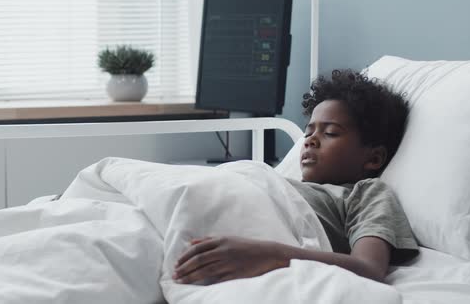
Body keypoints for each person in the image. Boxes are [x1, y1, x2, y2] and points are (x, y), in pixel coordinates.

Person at [172, 69, 419, 284]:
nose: (310, 139)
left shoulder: (366, 193)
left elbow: (369, 269)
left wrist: (270, 255)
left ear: (373, 158)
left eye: (331, 132)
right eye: (308, 131)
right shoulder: (281, 183)